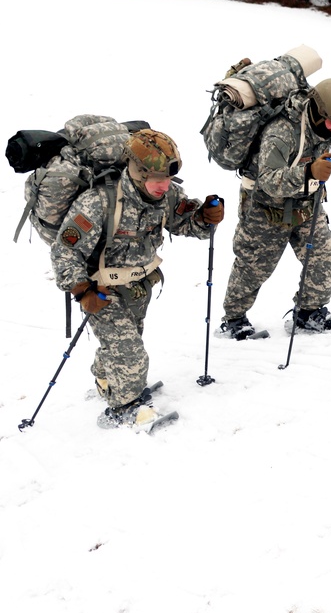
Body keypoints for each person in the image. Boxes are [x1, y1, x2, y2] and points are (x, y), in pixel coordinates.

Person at [51, 129, 225, 429]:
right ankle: (124, 408)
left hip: (139, 286)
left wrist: (204, 218)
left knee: (123, 344)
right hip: (101, 290)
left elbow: (185, 223)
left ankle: (108, 378)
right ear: (137, 172)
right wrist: (81, 290)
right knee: (131, 352)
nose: (164, 186)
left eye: (168, 179)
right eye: (157, 180)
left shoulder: (167, 194)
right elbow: (64, 251)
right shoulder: (98, 203)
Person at [218, 78, 331, 340]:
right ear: (317, 112)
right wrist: (308, 173)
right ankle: (233, 319)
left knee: (322, 256)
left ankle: (308, 312)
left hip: (306, 204)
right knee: (253, 267)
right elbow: (268, 180)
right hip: (265, 209)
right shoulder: (282, 132)